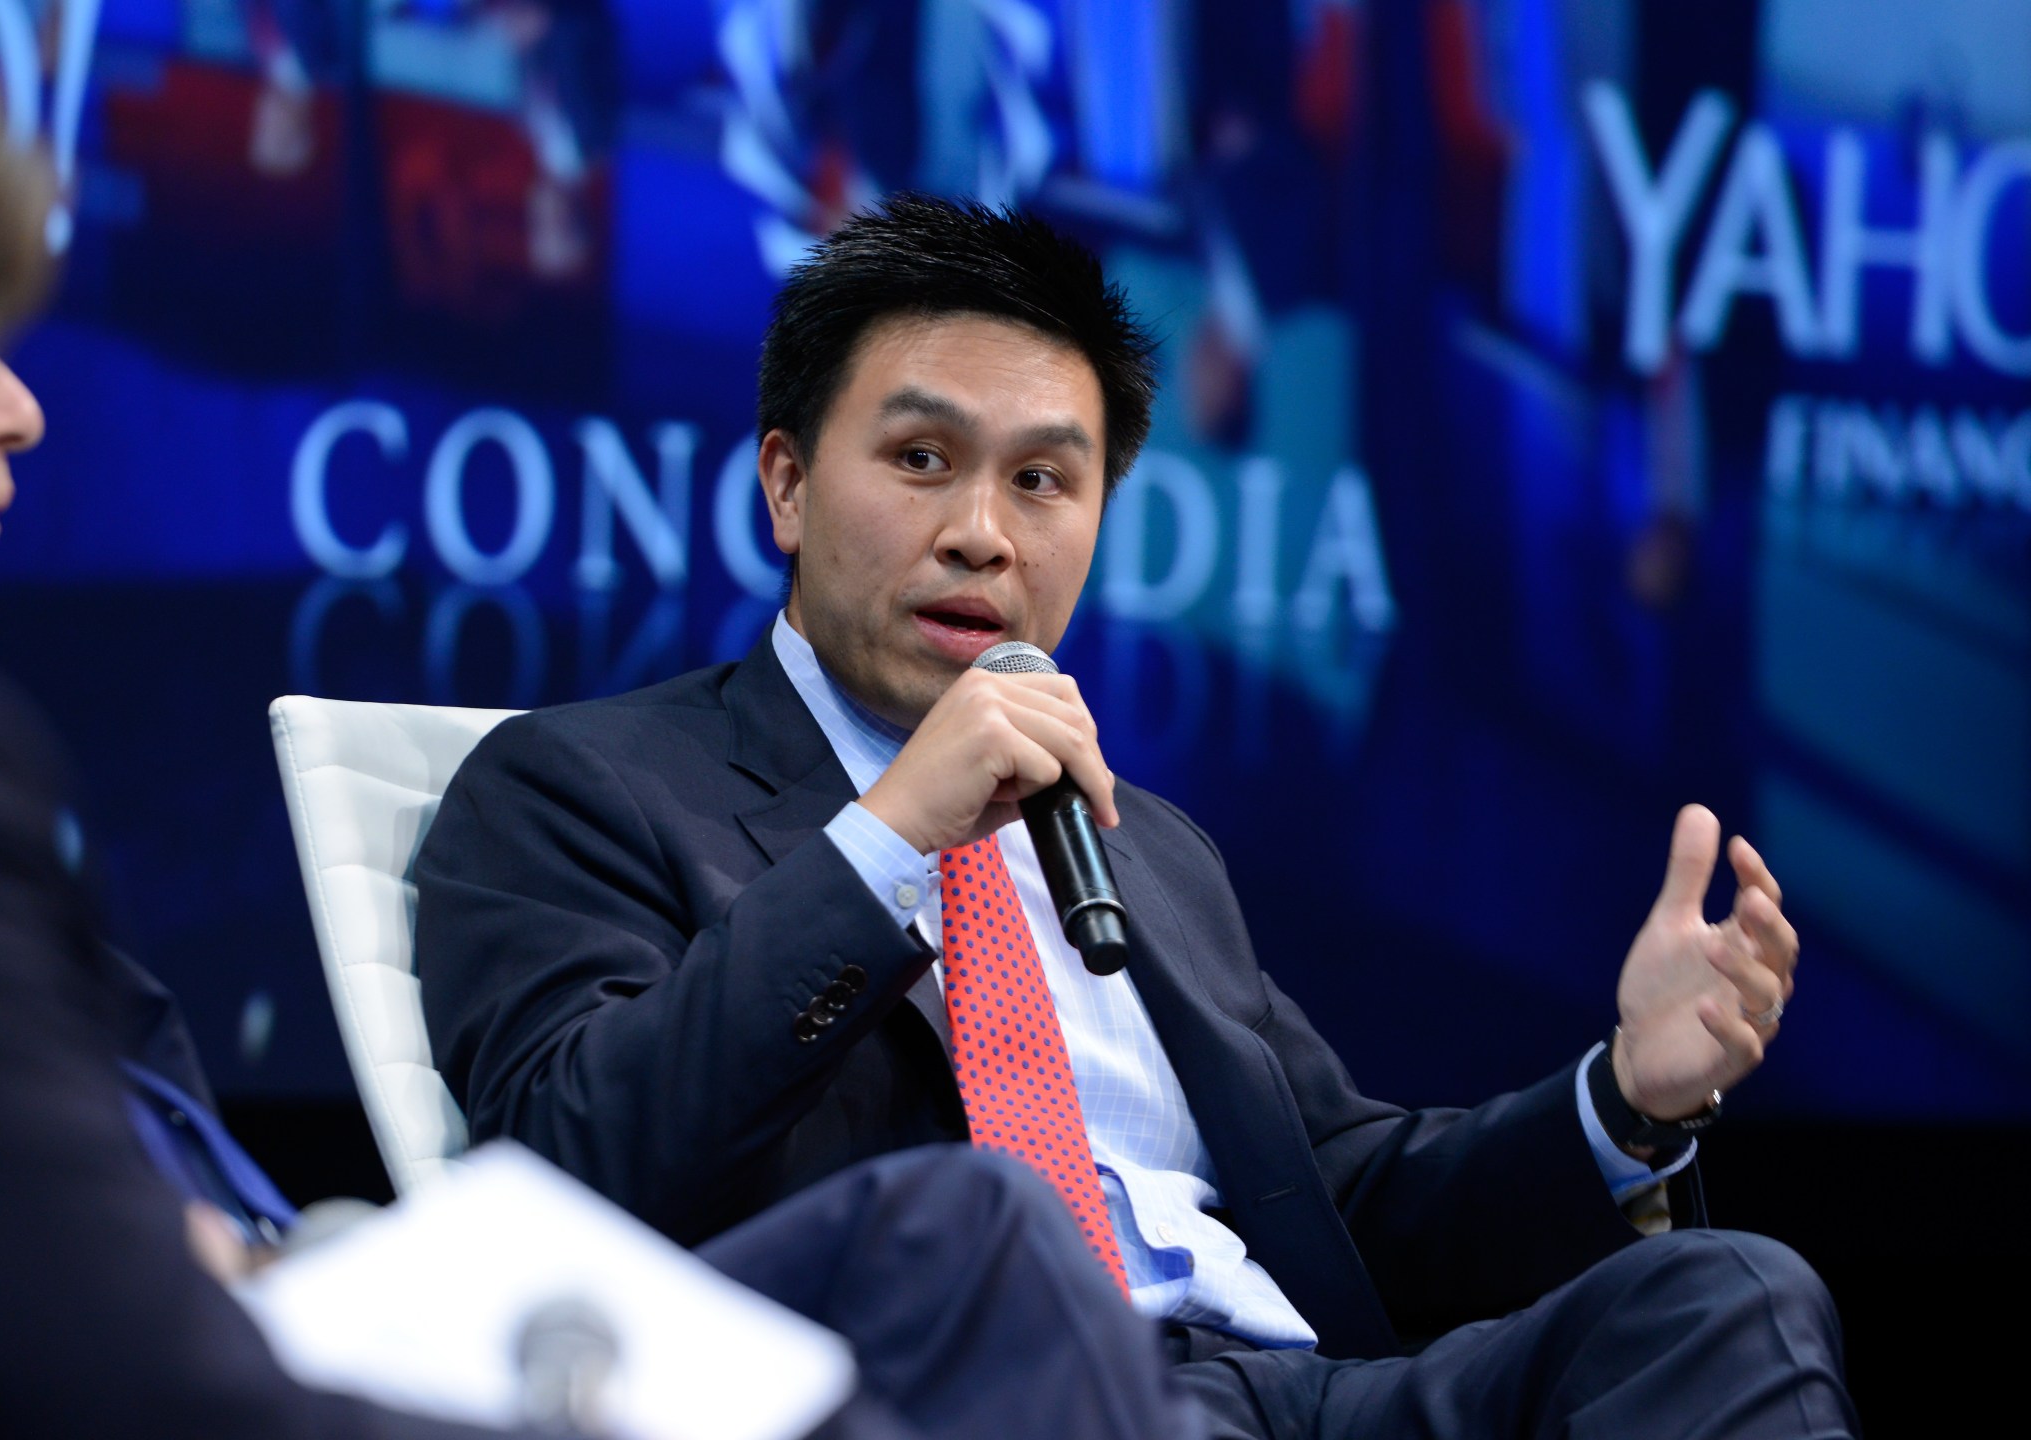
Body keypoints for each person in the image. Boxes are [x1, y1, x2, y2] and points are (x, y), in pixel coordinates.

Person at [0, 5, 1211, 1437]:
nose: (20, 418)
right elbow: (129, 1378)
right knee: (958, 1269)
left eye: (1045, 481)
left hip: (263, 1284)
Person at [413, 195, 1857, 1437]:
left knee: (1728, 1296)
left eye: (1043, 480)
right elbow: (564, 1168)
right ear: (787, 486)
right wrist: (890, 839)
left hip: (1289, 1393)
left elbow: (1345, 1197)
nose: (983, 533)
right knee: (1002, 1224)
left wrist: (1624, 1100)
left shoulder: (1142, 849)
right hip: (951, 1394)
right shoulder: (579, 786)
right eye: (921, 461)